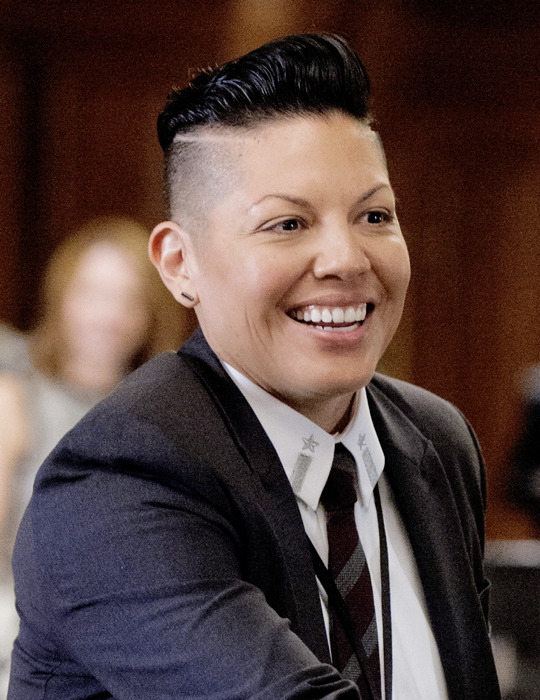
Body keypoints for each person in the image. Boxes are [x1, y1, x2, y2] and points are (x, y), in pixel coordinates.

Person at [8, 34, 500, 699]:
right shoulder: (118, 476)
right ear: (180, 264)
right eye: (288, 224)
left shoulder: (436, 441)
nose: (346, 259)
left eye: (374, 215)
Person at [0, 217, 189, 697]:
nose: (108, 316)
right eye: (92, 294)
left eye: (128, 300)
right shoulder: (14, 397)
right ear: (61, 298)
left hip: (131, 630)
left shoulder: (165, 415)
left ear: (149, 315)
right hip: (20, 621)